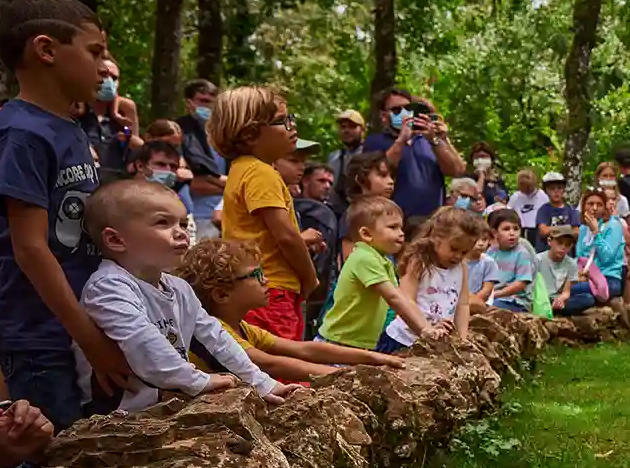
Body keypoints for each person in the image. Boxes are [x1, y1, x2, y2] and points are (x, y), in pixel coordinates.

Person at [0, 0, 132, 428]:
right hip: (34, 331)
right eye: (95, 51)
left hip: (70, 323)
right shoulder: (20, 134)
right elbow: (30, 249)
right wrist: (88, 336)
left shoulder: (67, 128)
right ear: (45, 49)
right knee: (50, 453)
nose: (105, 66)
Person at [78, 179, 291, 412]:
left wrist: (263, 384)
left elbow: (216, 339)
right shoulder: (108, 286)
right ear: (116, 240)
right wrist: (197, 381)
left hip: (164, 407)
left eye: (181, 222)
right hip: (115, 416)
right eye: (163, 222)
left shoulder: (178, 287)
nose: (181, 233)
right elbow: (142, 341)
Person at [177, 238, 403, 382]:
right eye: (255, 275)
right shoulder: (217, 330)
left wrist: (374, 359)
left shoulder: (242, 327)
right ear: (222, 294)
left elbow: (304, 349)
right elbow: (268, 363)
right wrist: (349, 376)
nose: (266, 280)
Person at [212, 86, 318, 340]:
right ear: (250, 134)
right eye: (282, 121)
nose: (293, 127)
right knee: (285, 369)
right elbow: (287, 237)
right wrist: (310, 278)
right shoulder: (261, 173)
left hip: (252, 286)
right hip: (273, 291)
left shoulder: (240, 170)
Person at [320, 196, 445, 350]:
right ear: (366, 234)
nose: (401, 233)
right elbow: (394, 298)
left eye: (401, 227)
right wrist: (425, 330)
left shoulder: (382, 260)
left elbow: (401, 298)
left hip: (358, 344)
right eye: (393, 227)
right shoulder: (364, 258)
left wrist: (428, 323)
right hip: (338, 343)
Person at [385, 206, 483, 352]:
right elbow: (406, 300)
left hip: (435, 341)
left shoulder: (461, 268)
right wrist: (427, 328)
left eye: (464, 252)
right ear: (436, 239)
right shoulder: (419, 262)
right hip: (404, 339)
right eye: (454, 249)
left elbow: (462, 304)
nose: (458, 256)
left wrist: (463, 339)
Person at [362, 88, 465, 226]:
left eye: (407, 108)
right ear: (384, 116)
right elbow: (382, 169)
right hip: (394, 224)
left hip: (432, 224)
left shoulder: (427, 140)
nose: (404, 113)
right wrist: (402, 139)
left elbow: (457, 170)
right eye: (397, 110)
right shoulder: (375, 142)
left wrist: (436, 140)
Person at [177, 79, 226, 241]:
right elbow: (190, 183)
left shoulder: (223, 136)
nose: (207, 107)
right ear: (189, 103)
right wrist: (229, 185)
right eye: (202, 101)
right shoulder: (179, 132)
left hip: (224, 219)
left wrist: (209, 179)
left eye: (211, 102)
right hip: (192, 218)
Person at [294, 162, 340, 336]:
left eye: (330, 182)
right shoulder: (314, 212)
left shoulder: (330, 211)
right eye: (321, 180)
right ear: (305, 180)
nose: (327, 186)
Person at [81, 57, 139, 176]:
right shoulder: (76, 111)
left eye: (114, 78)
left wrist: (128, 132)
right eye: (104, 75)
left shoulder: (122, 116)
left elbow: (131, 137)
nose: (109, 81)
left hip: (117, 184)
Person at [482, 208, 536, 312]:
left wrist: (495, 294)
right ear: (495, 233)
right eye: (506, 229)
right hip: (493, 296)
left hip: (515, 301)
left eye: (516, 229)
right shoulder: (491, 251)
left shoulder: (522, 253)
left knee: (489, 308)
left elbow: (520, 284)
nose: (512, 233)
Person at [535, 226, 596, 317]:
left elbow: (566, 291)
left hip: (556, 298)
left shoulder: (571, 263)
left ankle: (555, 309)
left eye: (567, 245)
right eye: (559, 243)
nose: (563, 247)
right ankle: (548, 309)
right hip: (540, 299)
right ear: (549, 241)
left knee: (588, 299)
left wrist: (561, 299)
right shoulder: (538, 259)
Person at [578, 191, 628, 296]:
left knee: (573, 290)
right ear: (583, 207)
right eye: (590, 204)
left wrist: (596, 233)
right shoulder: (583, 228)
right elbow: (579, 257)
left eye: (599, 204)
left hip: (608, 279)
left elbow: (606, 259)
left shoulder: (613, 226)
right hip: (586, 278)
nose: (594, 208)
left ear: (605, 208)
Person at [534, 171, 580, 239]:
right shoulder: (543, 210)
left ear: (564, 189)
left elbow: (577, 232)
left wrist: (552, 229)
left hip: (566, 248)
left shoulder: (571, 210)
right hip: (547, 248)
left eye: (559, 188)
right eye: (552, 188)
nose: (556, 191)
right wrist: (567, 228)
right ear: (546, 191)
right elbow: (543, 231)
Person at [506, 168, 545, 244]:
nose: (526, 190)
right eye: (523, 187)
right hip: (521, 229)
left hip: (537, 229)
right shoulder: (516, 197)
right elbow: (508, 212)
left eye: (528, 187)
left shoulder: (542, 195)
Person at [465, 232, 498, 309]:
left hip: (480, 303)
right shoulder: (457, 261)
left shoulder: (489, 263)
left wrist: (471, 302)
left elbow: (486, 292)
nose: (481, 243)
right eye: (476, 240)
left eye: (484, 240)